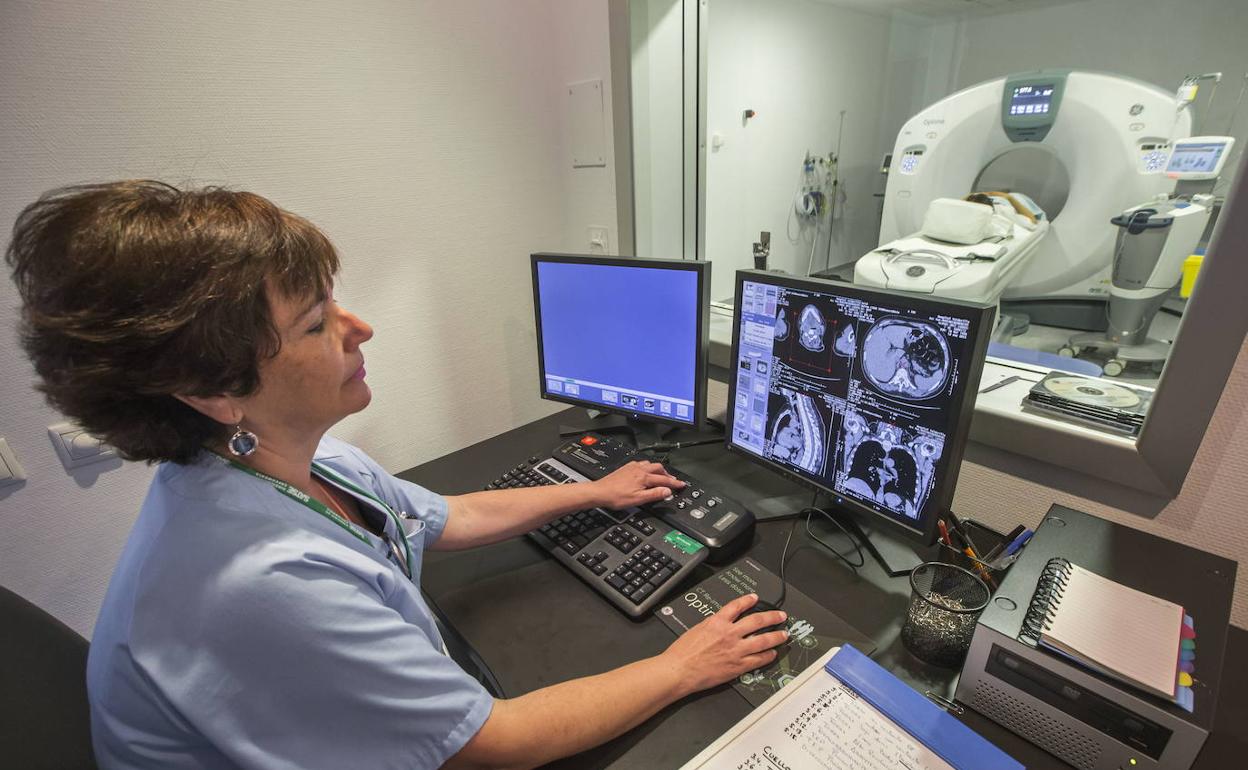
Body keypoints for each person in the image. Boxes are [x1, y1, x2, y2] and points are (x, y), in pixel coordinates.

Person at [6, 181, 789, 770]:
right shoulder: (258, 583)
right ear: (213, 392)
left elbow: (443, 517)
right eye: (315, 323)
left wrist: (594, 489)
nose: (359, 328)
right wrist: (681, 666)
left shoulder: (284, 462)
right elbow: (495, 741)